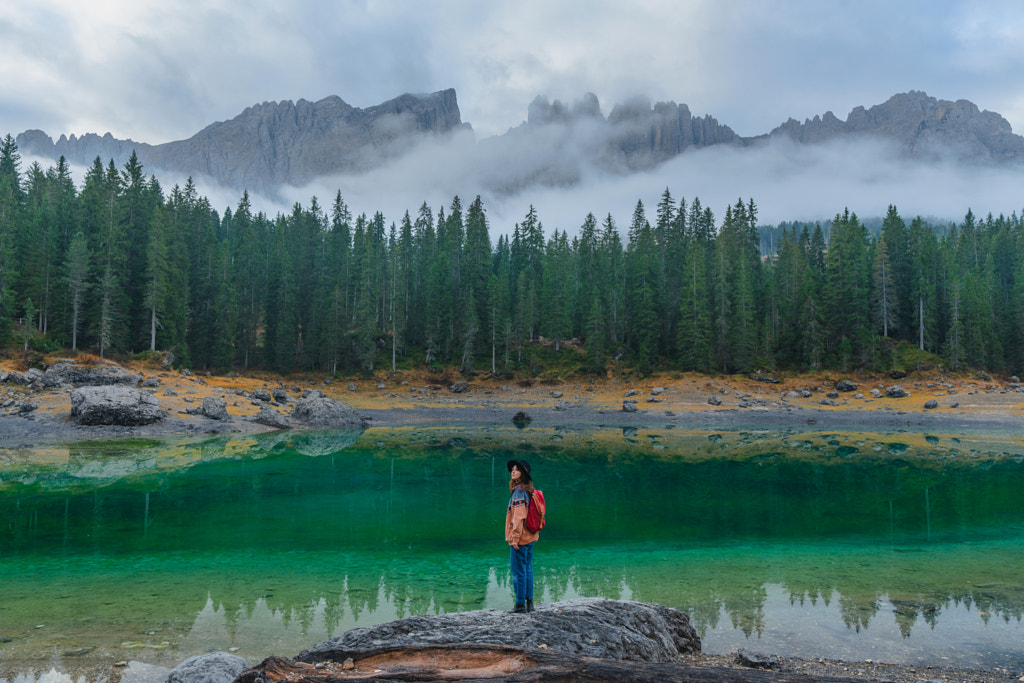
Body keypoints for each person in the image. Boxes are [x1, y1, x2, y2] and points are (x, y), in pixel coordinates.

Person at [505, 459, 539, 613]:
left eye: (516, 469)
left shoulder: (519, 492)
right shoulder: (528, 490)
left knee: (518, 571)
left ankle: (520, 605)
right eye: (512, 469)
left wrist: (514, 538)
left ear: (522, 473)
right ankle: (529, 604)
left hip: (521, 538)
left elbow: (519, 517)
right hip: (531, 537)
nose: (513, 471)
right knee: (527, 569)